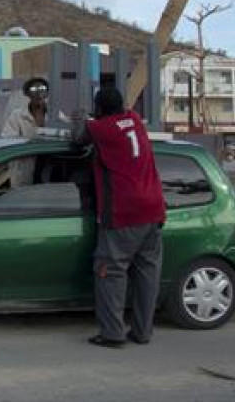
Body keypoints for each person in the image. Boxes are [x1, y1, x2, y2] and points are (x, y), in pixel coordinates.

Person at [74, 87, 166, 349]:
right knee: (147, 273)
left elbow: (78, 139)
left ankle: (112, 333)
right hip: (153, 209)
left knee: (110, 271)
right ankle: (142, 332)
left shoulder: (100, 129)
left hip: (124, 212)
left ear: (99, 108)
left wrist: (81, 119)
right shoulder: (134, 120)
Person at [1, 77, 50, 186]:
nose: (38, 93)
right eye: (34, 90)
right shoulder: (17, 116)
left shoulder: (53, 114)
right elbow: (7, 140)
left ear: (47, 93)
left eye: (42, 89)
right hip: (24, 169)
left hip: (47, 168)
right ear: (27, 94)